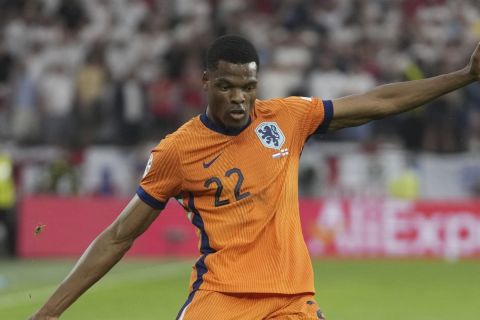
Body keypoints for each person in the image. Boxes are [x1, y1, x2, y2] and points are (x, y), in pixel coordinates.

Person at [30, 35, 480, 320]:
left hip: (290, 300)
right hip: (221, 300)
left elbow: (381, 102)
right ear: (205, 81)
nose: (240, 99)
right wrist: (48, 313)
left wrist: (464, 76)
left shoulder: (287, 118)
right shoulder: (177, 151)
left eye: (249, 87)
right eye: (226, 87)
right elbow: (117, 236)